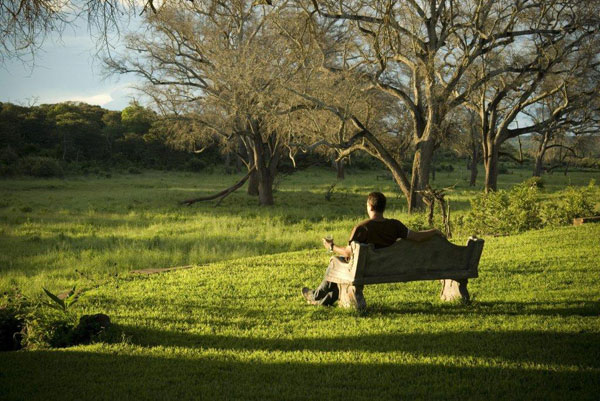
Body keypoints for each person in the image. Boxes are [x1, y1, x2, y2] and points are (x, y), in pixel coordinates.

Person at [302, 191, 443, 306]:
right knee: (340, 269)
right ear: (383, 207)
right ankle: (322, 301)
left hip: (363, 270)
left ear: (370, 206)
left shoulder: (362, 228)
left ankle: (314, 295)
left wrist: (331, 246)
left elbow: (348, 252)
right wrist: (435, 231)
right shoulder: (395, 225)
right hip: (388, 268)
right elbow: (417, 237)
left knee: (335, 262)